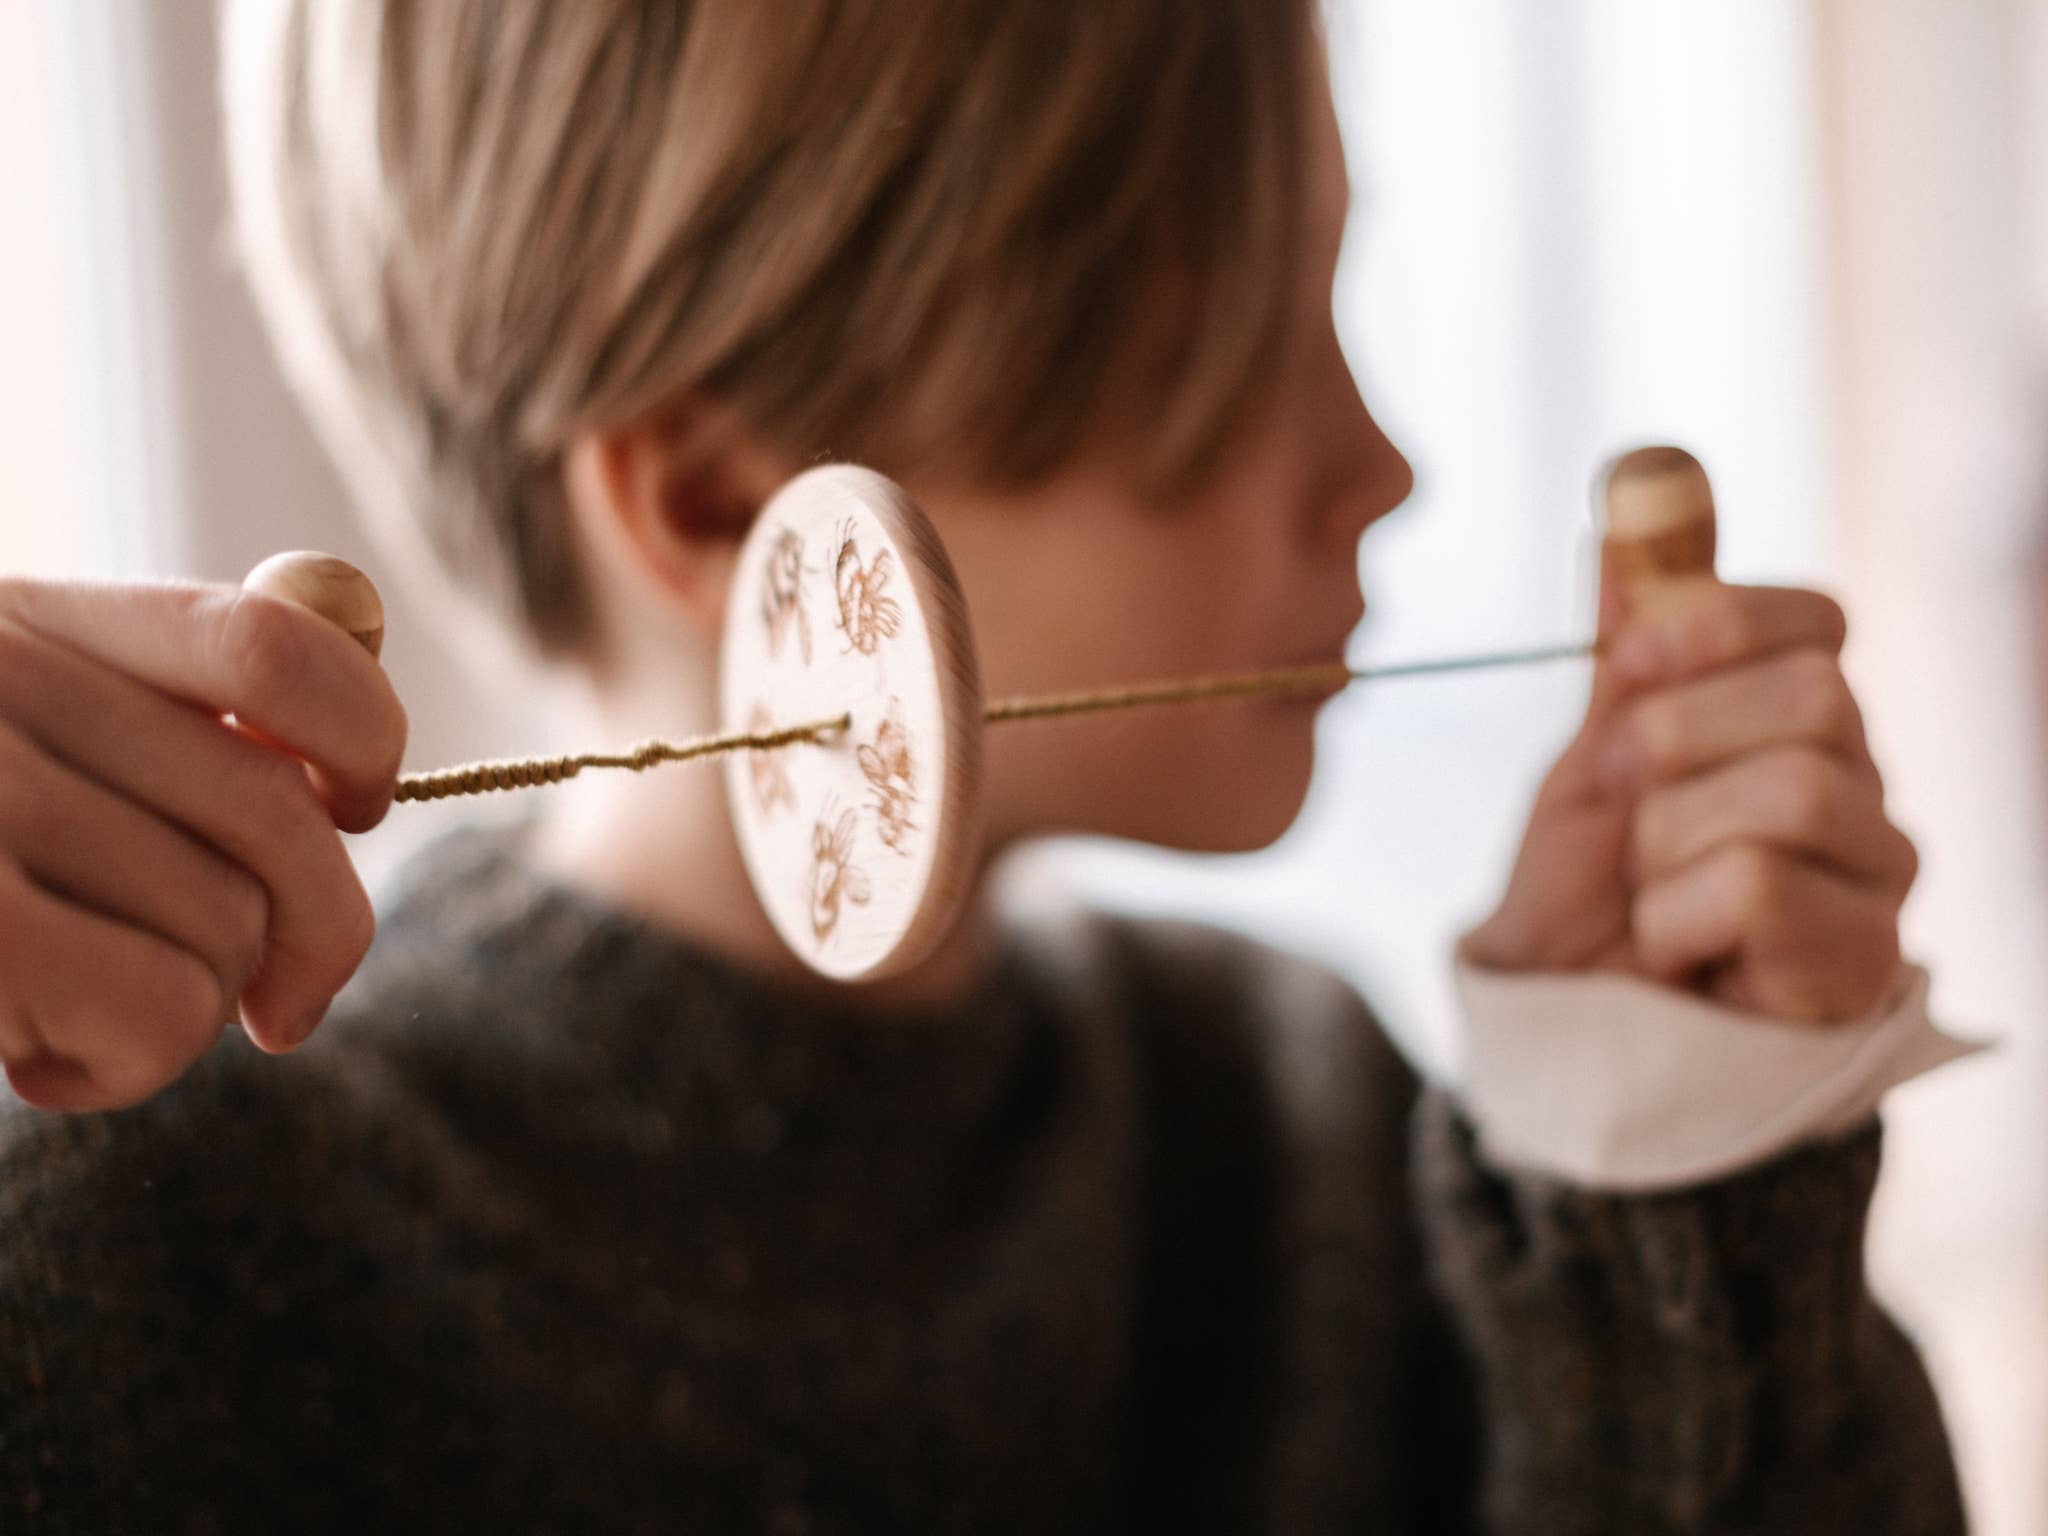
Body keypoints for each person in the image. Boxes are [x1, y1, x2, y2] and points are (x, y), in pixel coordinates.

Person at [0, 1, 1970, 1528]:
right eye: (1231, 347)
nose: (1382, 468)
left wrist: (1667, 1174)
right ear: (712, 495)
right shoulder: (141, 1256)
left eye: (1333, 302)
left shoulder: (1317, 1142)